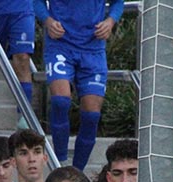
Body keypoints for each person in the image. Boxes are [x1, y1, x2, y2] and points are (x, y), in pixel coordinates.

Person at [34, 0, 124, 170]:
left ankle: (77, 171)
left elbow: (118, 2)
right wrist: (48, 20)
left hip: (93, 49)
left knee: (91, 115)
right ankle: (61, 163)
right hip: (60, 45)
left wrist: (110, 21)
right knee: (60, 100)